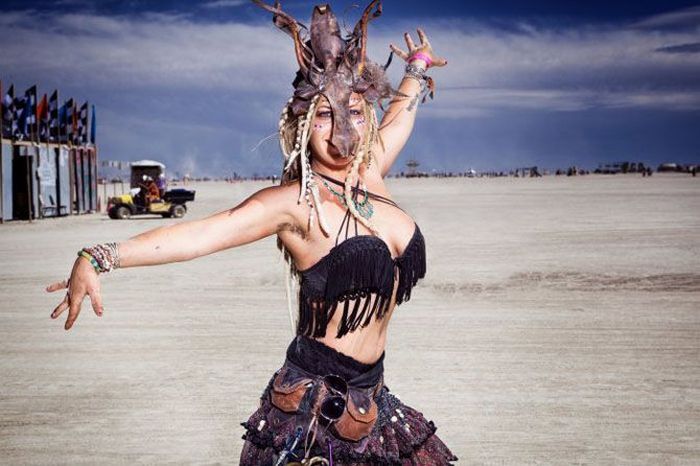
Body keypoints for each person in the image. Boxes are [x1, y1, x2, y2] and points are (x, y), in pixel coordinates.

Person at [45, 1, 457, 464]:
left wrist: (417, 67)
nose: (342, 129)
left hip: (373, 400)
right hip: (316, 412)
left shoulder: (371, 172)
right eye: (323, 115)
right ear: (302, 123)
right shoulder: (294, 204)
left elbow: (400, 113)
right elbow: (202, 234)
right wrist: (99, 256)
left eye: (357, 113)